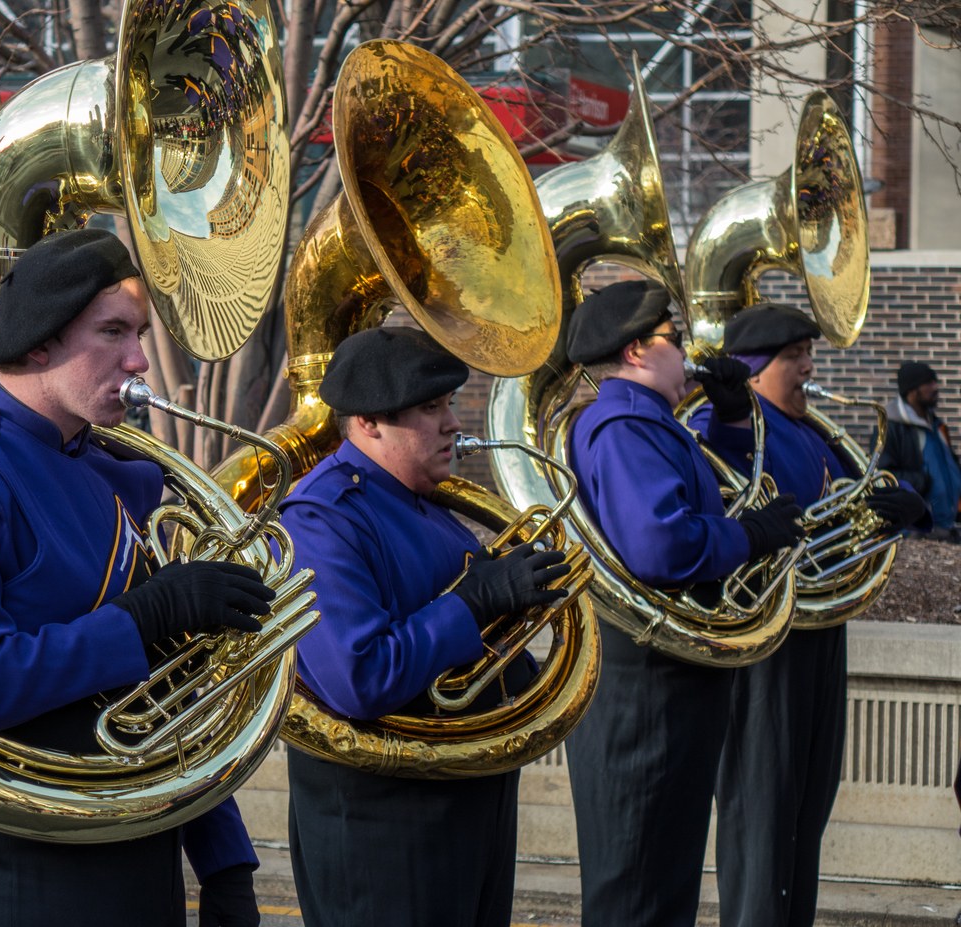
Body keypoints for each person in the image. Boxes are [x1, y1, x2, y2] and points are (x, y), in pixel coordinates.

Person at [0, 229, 269, 927]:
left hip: (150, 856)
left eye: (140, 332)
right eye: (113, 331)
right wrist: (145, 615)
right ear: (38, 341)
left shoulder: (121, 471)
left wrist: (226, 862)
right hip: (33, 875)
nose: (140, 359)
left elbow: (171, 695)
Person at [277, 325, 572, 927]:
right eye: (430, 408)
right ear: (368, 423)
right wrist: (475, 602)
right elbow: (361, 677)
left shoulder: (424, 503)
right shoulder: (321, 517)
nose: (453, 423)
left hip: (465, 803)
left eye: (450, 404)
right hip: (386, 830)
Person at [560, 280, 805, 927]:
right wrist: (748, 535)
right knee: (636, 896)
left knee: (662, 890)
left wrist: (728, 419)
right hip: (644, 697)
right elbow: (659, 543)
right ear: (638, 349)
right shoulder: (621, 424)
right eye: (674, 336)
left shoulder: (651, 423)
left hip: (668, 689)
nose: (689, 349)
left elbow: (702, 506)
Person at [687, 302, 927, 927]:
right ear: (756, 368)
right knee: (764, 813)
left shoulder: (814, 430)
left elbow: (860, 495)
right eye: (794, 357)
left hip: (821, 630)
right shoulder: (732, 422)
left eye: (808, 355)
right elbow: (727, 493)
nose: (808, 367)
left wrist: (895, 502)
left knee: (806, 810)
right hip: (771, 640)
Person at [877, 361, 961, 541]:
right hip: (918, 534)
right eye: (929, 383)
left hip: (947, 531)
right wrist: (923, 481)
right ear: (912, 392)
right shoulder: (890, 427)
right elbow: (883, 476)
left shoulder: (937, 425)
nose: (936, 387)